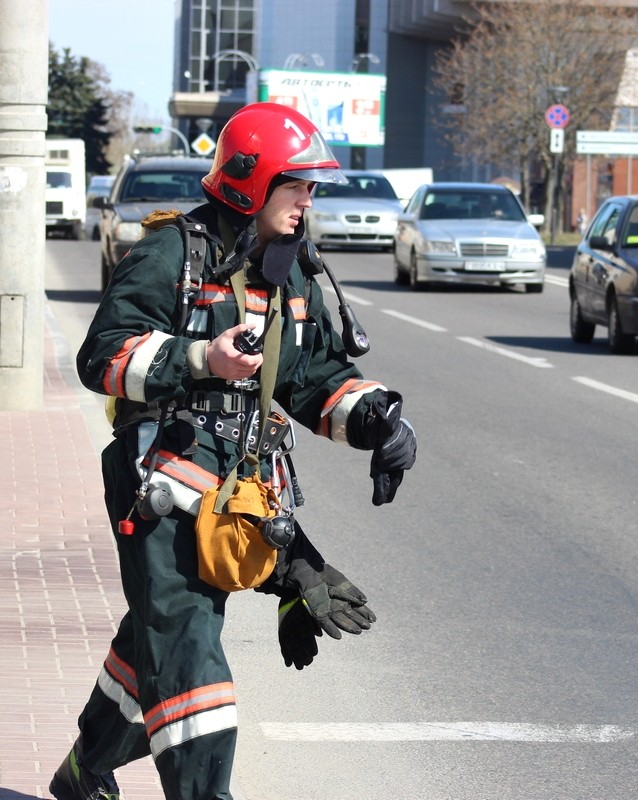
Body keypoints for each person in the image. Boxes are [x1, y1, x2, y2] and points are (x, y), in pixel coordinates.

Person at [52, 102, 417, 800]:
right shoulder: (171, 252)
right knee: (187, 647)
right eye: (296, 185)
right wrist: (199, 358)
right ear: (252, 181)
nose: (308, 201)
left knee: (158, 638)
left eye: (311, 187)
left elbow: (312, 376)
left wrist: (378, 418)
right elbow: (102, 356)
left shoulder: (293, 269)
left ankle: (81, 771)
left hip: (239, 489)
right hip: (158, 481)